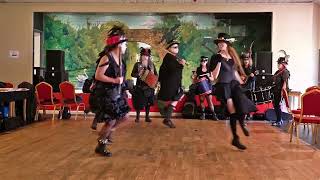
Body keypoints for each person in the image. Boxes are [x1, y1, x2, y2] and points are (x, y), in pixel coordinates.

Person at [209, 33, 257, 150]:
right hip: (223, 86)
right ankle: (235, 138)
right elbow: (214, 76)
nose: (220, 44)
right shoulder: (216, 57)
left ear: (227, 44)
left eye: (222, 42)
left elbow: (234, 73)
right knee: (232, 111)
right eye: (219, 43)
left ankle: (242, 124)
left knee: (242, 105)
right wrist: (219, 62)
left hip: (234, 85)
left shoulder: (232, 57)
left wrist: (244, 80)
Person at [89, 26, 130, 157]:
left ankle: (109, 132)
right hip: (106, 95)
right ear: (118, 44)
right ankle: (101, 145)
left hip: (116, 94)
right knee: (111, 120)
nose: (126, 46)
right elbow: (98, 75)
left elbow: (121, 79)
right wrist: (115, 81)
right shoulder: (106, 58)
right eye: (124, 43)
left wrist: (124, 89)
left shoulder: (121, 60)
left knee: (125, 116)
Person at [157, 40, 186, 128]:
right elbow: (174, 71)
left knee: (178, 95)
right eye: (174, 47)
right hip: (170, 84)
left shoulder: (172, 58)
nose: (177, 48)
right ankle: (167, 117)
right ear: (169, 49)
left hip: (171, 84)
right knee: (178, 95)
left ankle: (167, 115)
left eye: (177, 47)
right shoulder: (169, 58)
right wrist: (181, 65)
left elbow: (162, 71)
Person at [131, 48, 157, 123]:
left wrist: (154, 81)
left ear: (149, 57)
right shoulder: (137, 65)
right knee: (139, 103)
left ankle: (147, 117)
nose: (145, 57)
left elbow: (156, 74)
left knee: (148, 103)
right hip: (140, 87)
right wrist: (139, 74)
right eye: (144, 55)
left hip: (149, 87)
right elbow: (132, 74)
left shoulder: (152, 65)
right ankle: (137, 117)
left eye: (147, 56)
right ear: (141, 56)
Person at [193, 56, 218, 120]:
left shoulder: (209, 69)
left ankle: (214, 115)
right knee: (201, 100)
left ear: (207, 61)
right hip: (201, 87)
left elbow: (212, 79)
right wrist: (198, 79)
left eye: (205, 60)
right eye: (202, 60)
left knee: (210, 101)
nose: (203, 62)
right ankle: (203, 114)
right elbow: (194, 81)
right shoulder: (197, 69)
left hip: (208, 86)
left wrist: (208, 77)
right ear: (200, 61)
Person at [271, 56, 290, 126]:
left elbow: (284, 83)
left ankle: (279, 120)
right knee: (275, 105)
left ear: (283, 64)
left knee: (277, 105)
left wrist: (282, 93)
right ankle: (279, 119)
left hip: (281, 91)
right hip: (276, 90)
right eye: (278, 63)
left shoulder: (285, 72)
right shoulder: (277, 72)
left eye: (280, 63)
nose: (278, 65)